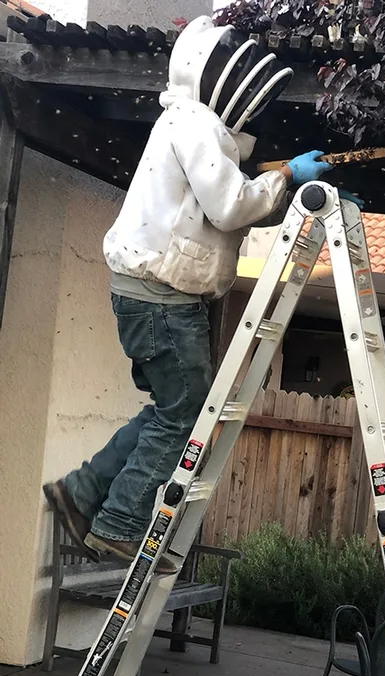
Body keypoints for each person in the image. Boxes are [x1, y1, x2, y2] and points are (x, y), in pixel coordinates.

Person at [43, 17, 332, 574]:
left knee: (169, 411)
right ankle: (118, 524)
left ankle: (81, 494)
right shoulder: (193, 124)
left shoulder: (189, 129)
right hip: (161, 298)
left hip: (151, 294)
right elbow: (230, 206)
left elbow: (226, 208)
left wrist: (284, 185)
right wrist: (287, 177)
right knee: (188, 415)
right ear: (216, 75)